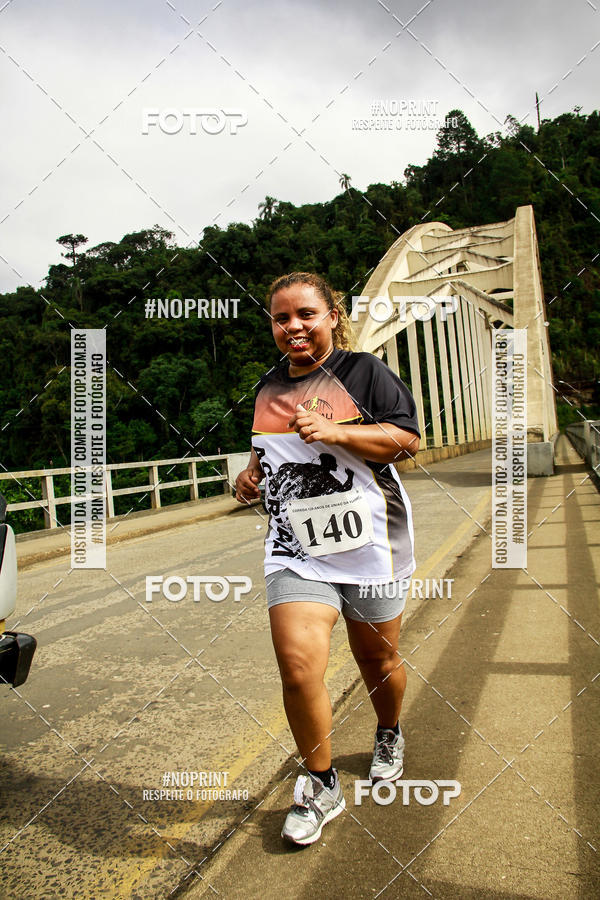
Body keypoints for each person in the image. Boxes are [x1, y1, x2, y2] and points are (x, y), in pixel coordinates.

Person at [235, 272, 420, 846]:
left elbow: (407, 440)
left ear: (332, 316)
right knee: (297, 666)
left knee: (377, 661)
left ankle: (388, 731)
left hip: (371, 545)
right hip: (296, 549)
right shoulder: (267, 387)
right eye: (281, 317)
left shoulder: (364, 372)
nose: (293, 326)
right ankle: (321, 782)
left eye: (305, 314)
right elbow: (266, 455)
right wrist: (250, 476)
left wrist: (337, 431)